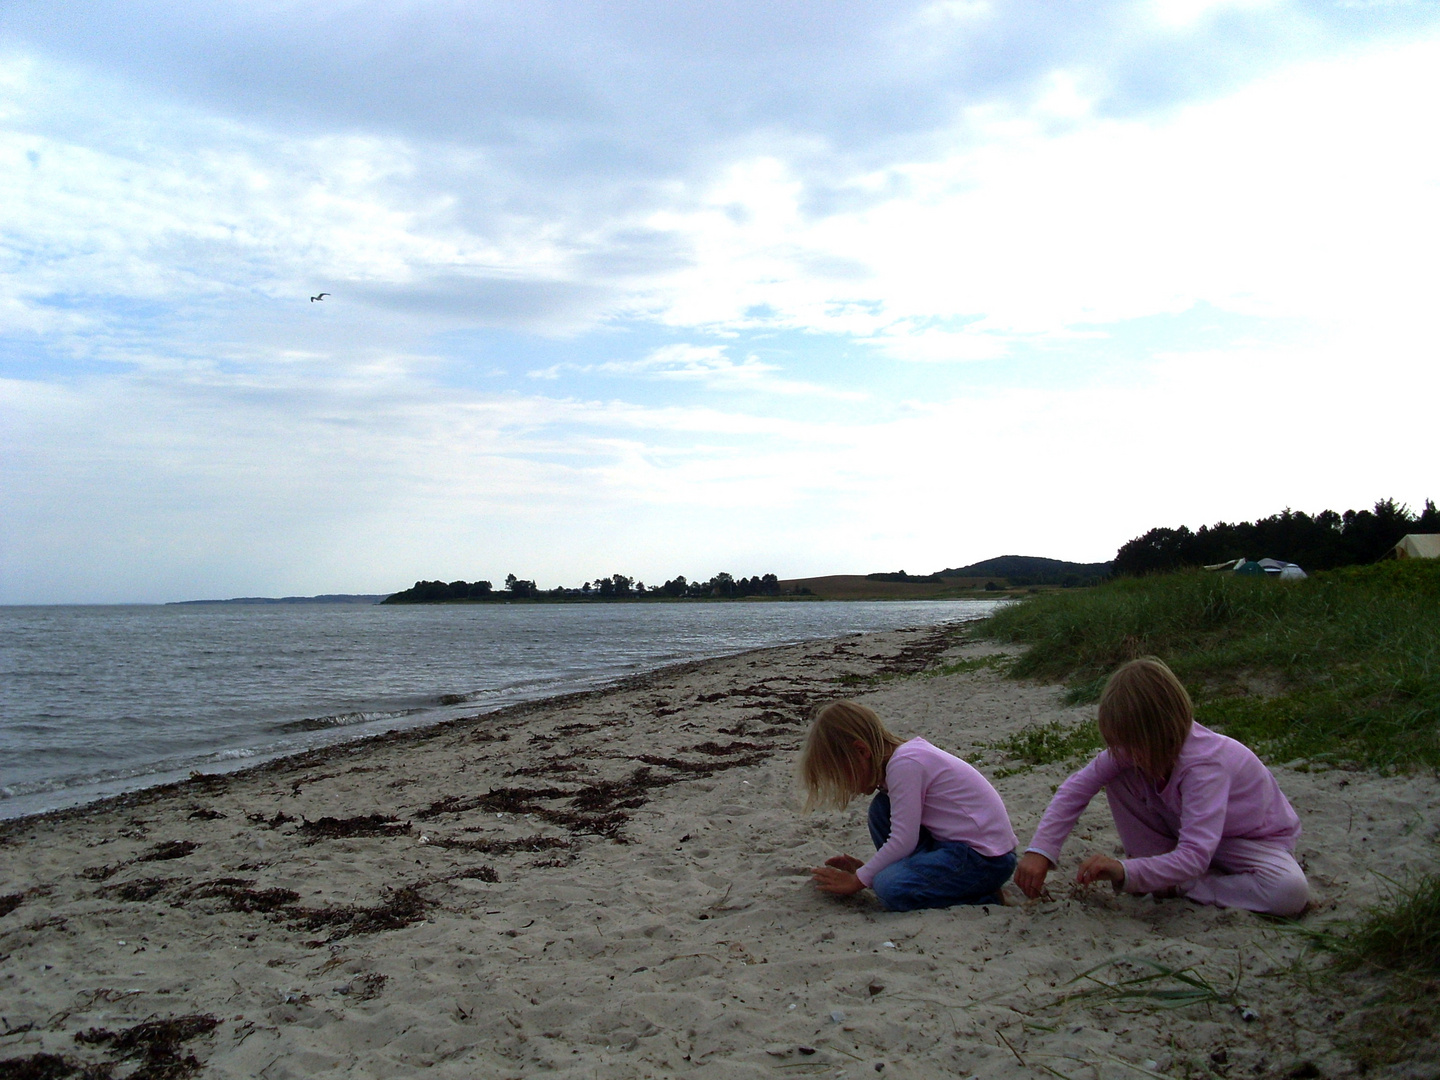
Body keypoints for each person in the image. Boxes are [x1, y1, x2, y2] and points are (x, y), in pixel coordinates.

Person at [1014, 657, 1310, 917]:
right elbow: (1075, 788)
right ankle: (1158, 873)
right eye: (1120, 743)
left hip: (1246, 843)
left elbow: (1195, 855)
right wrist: (1041, 851)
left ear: (1162, 732)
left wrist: (1124, 871)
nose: (1124, 752)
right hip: (1185, 833)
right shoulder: (1130, 751)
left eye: (1132, 744)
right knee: (1118, 775)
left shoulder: (1204, 766)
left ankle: (1182, 885)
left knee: (1289, 891)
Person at [799, 700, 1018, 911]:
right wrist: (870, 872)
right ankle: (913, 876)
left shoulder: (905, 765)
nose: (845, 786)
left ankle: (985, 896)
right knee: (882, 808)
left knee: (890, 888)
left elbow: (904, 840)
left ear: (861, 751)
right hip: (957, 848)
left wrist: (859, 879)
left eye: (841, 775)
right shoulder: (902, 760)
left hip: (985, 858)